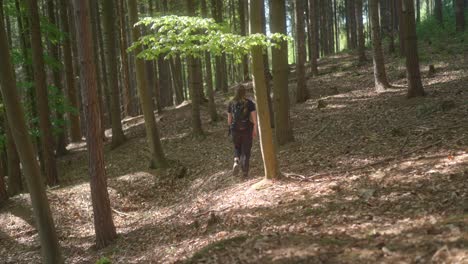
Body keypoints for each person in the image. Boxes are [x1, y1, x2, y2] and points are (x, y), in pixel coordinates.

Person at [227, 85, 257, 177]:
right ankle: (245, 172)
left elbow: (229, 120)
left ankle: (236, 160)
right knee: (246, 150)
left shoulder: (231, 103)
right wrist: (254, 129)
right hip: (247, 128)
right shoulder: (250, 103)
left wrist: (231, 129)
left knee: (237, 147)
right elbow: (254, 120)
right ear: (245, 92)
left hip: (235, 129)